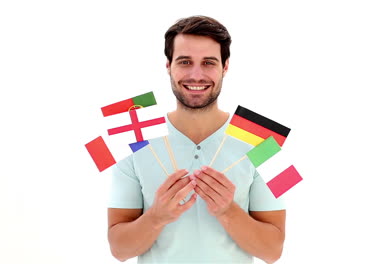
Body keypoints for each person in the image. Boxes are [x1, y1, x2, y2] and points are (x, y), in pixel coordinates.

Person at [107, 15, 286, 263]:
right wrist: (157, 216)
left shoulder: (265, 141)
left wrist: (228, 211)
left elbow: (273, 251)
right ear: (168, 65)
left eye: (209, 62)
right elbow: (119, 250)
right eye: (185, 61)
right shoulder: (132, 137)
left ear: (225, 66)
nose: (196, 74)